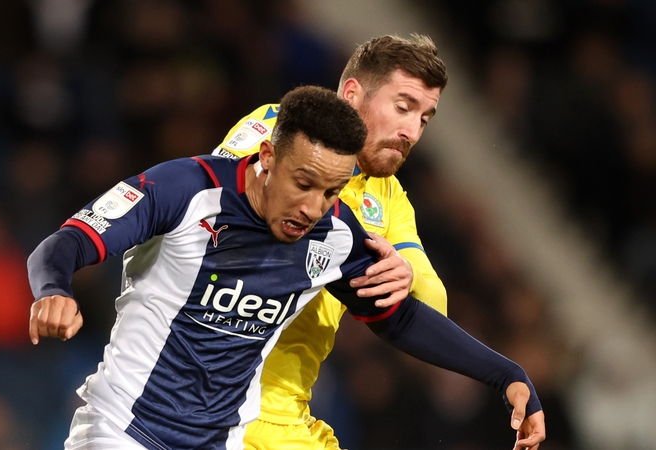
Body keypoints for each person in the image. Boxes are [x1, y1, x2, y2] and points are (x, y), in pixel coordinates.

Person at [28, 85, 543, 450]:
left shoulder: (335, 233)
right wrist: (54, 288)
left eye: (332, 192)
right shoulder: (184, 189)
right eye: (303, 183)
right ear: (267, 156)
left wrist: (506, 375)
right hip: (122, 433)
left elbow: (401, 319)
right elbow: (67, 241)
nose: (313, 208)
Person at [212, 34, 545, 450]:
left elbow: (428, 308)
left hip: (283, 417)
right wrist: (351, 248)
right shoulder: (278, 130)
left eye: (424, 118)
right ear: (352, 95)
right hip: (207, 398)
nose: (411, 131)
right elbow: (224, 211)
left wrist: (403, 275)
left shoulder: (387, 198)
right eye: (403, 107)